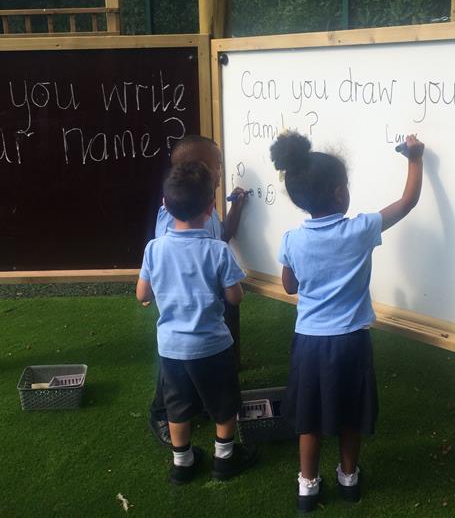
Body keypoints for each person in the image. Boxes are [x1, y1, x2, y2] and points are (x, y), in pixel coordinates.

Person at [270, 131, 424, 512]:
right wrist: (415, 159)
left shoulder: (292, 239)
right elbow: (406, 203)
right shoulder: (360, 230)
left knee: (309, 417)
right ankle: (349, 478)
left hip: (309, 343)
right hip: (351, 342)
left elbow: (290, 286)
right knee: (351, 414)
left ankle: (307, 486)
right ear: (340, 194)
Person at [136, 161, 257, 484]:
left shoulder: (154, 249)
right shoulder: (217, 251)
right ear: (211, 208)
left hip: (172, 348)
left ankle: (183, 463)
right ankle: (225, 458)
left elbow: (141, 294)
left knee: (176, 406)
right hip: (213, 346)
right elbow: (235, 298)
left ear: (165, 205)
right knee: (223, 404)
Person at [148, 135, 248, 446]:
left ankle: (194, 415)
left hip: (201, 310)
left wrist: (238, 208)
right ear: (201, 168)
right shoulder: (173, 220)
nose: (221, 171)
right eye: (218, 165)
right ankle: (162, 414)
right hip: (183, 309)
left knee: (196, 364)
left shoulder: (202, 207)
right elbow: (169, 263)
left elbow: (222, 236)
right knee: (176, 371)